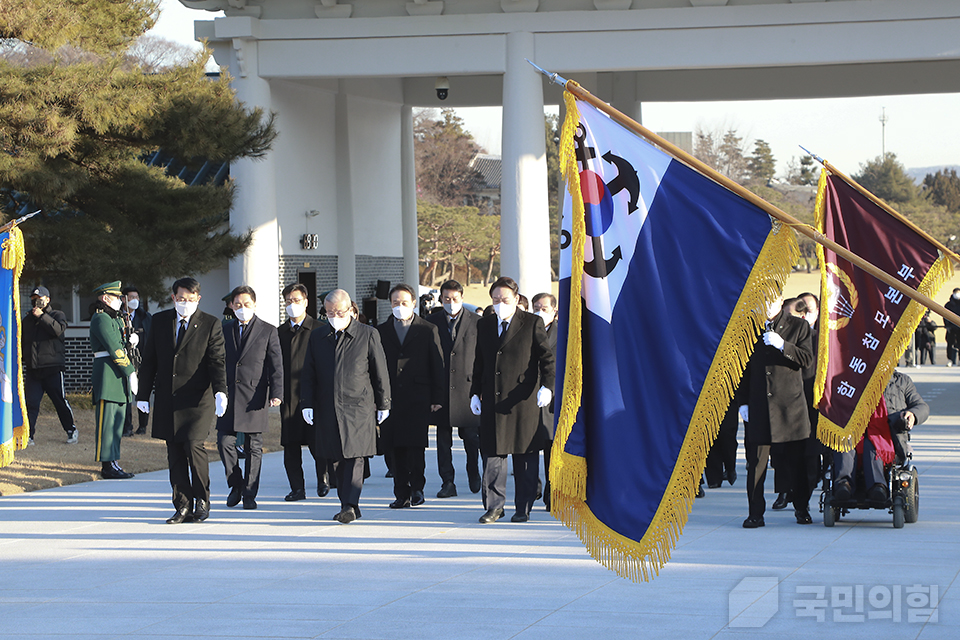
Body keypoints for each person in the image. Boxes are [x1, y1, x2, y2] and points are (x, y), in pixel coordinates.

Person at [137, 277, 228, 524]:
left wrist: (221, 391)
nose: (184, 303)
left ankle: (202, 500)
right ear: (173, 298)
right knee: (174, 451)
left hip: (197, 399)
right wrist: (143, 395)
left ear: (198, 299)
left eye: (190, 299)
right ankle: (182, 505)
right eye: (180, 299)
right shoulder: (160, 321)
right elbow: (150, 361)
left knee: (193, 446)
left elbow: (216, 361)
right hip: (169, 397)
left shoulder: (210, 324)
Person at [301, 289, 391, 524]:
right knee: (336, 458)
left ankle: (349, 504)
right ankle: (349, 503)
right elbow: (308, 374)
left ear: (350, 310)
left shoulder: (368, 334)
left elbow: (380, 373)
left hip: (358, 407)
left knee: (355, 456)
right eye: (329, 312)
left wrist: (384, 403)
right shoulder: (318, 337)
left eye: (339, 311)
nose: (334, 316)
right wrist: (306, 403)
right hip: (327, 407)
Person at [470, 277, 555, 524]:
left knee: (524, 456)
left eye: (505, 299)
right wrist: (474, 392)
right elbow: (479, 362)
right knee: (493, 457)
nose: (500, 304)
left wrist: (547, 387)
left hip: (522, 400)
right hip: (493, 400)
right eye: (495, 299)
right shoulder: (485, 325)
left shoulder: (532, 322)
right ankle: (494, 507)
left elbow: (546, 359)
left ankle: (523, 507)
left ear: (516, 299)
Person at [738, 294, 814, 528]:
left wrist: (783, 346)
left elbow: (807, 359)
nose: (764, 303)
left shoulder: (798, 326)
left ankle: (801, 508)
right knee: (756, 463)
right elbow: (741, 368)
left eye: (769, 299)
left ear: (780, 300)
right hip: (760, 406)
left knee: (796, 463)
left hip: (789, 407)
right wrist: (742, 402)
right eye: (760, 298)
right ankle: (755, 513)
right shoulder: (748, 329)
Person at [377, 284, 444, 508]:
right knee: (394, 447)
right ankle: (400, 493)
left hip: (418, 396)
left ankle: (417, 489)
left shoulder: (427, 329)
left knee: (415, 447)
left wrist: (437, 397)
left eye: (404, 302)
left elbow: (437, 364)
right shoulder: (380, 331)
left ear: (414, 303)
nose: (400, 306)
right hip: (390, 397)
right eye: (395, 302)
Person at [216, 286, 283, 510]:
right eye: (237, 305)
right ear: (231, 306)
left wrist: (276, 392)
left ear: (254, 305)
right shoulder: (224, 329)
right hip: (230, 394)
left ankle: (250, 492)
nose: (242, 308)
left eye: (246, 304)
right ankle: (235, 484)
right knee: (225, 441)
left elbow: (276, 364)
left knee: (254, 445)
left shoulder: (267, 330)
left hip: (255, 394)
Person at [832, 370, 928, 504]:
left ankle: (878, 486)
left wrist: (912, 414)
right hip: (854, 431)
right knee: (845, 441)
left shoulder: (901, 381)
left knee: (873, 444)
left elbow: (921, 406)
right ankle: (844, 484)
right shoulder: (851, 378)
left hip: (888, 436)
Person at [426, 280, 482, 498]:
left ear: (462, 297)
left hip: (467, 389)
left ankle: (472, 471)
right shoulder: (431, 322)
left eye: (455, 299)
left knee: (471, 437)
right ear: (441, 299)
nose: (451, 303)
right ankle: (447, 481)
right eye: (447, 299)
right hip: (440, 389)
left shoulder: (477, 322)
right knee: (442, 440)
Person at [278, 283, 330, 502]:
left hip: (314, 396)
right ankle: (297, 488)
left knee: (317, 443)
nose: (293, 305)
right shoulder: (279, 332)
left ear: (306, 302)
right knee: (290, 446)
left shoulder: (319, 329)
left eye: (297, 300)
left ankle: (323, 479)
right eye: (289, 301)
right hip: (288, 397)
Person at [89, 281, 137, 479]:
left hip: (117, 375)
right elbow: (114, 349)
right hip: (109, 373)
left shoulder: (114, 319)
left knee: (117, 422)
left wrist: (132, 340)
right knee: (107, 422)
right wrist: (130, 371)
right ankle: (107, 464)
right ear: (105, 298)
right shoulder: (101, 319)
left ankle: (114, 461)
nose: (119, 301)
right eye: (116, 297)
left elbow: (122, 343)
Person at [22, 285, 77, 445]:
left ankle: (71, 430)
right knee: (31, 403)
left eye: (39, 299)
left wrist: (42, 316)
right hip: (34, 369)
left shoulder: (57, 315)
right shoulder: (27, 320)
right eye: (33, 299)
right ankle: (29, 435)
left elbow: (58, 330)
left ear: (47, 299)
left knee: (59, 401)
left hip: (52, 368)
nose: (36, 302)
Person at [531, 292, 558, 510]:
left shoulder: (564, 331)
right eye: (536, 308)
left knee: (550, 448)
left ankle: (552, 493)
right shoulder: (527, 329)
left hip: (553, 400)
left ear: (554, 311)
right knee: (529, 448)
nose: (540, 312)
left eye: (545, 308)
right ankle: (533, 489)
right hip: (529, 398)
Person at [121, 285, 152, 436]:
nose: (135, 301)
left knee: (142, 393)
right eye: (131, 297)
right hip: (125, 361)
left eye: (137, 298)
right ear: (123, 299)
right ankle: (127, 426)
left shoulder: (145, 317)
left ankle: (143, 425)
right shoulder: (119, 317)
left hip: (142, 361)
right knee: (126, 394)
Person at [944, 288, 960, 366]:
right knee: (950, 344)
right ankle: (950, 360)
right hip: (951, 328)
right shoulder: (949, 305)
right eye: (956, 293)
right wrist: (947, 325)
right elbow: (945, 316)